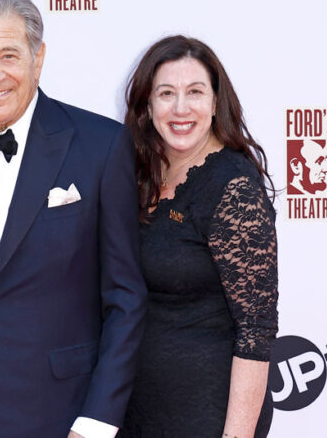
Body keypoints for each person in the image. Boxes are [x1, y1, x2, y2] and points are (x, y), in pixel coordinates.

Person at [0, 0, 147, 438]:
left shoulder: (101, 145)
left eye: (8, 55)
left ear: (37, 58)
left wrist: (97, 421)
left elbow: (125, 298)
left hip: (63, 414)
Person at [119, 35, 279, 438]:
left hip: (208, 416)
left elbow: (256, 329)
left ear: (215, 102)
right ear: (147, 105)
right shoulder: (138, 177)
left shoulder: (233, 185)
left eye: (194, 92)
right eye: (166, 93)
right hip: (137, 409)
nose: (180, 108)